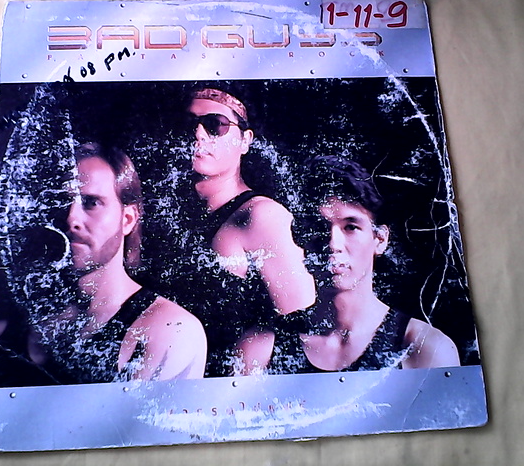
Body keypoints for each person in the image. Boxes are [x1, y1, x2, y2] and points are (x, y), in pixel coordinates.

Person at [236, 156, 460, 374]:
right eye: (319, 227)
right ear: (300, 236)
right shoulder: (261, 348)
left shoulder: (424, 348)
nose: (333, 244)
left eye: (351, 227)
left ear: (380, 239)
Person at [164, 87, 316, 376]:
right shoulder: (173, 215)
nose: (198, 134)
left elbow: (304, 327)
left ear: (245, 140)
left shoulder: (261, 217)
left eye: (215, 125)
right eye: (188, 124)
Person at [28, 142, 207, 383]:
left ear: (128, 219)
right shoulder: (33, 318)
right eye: (61, 202)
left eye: (91, 202)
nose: (71, 218)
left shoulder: (170, 329)